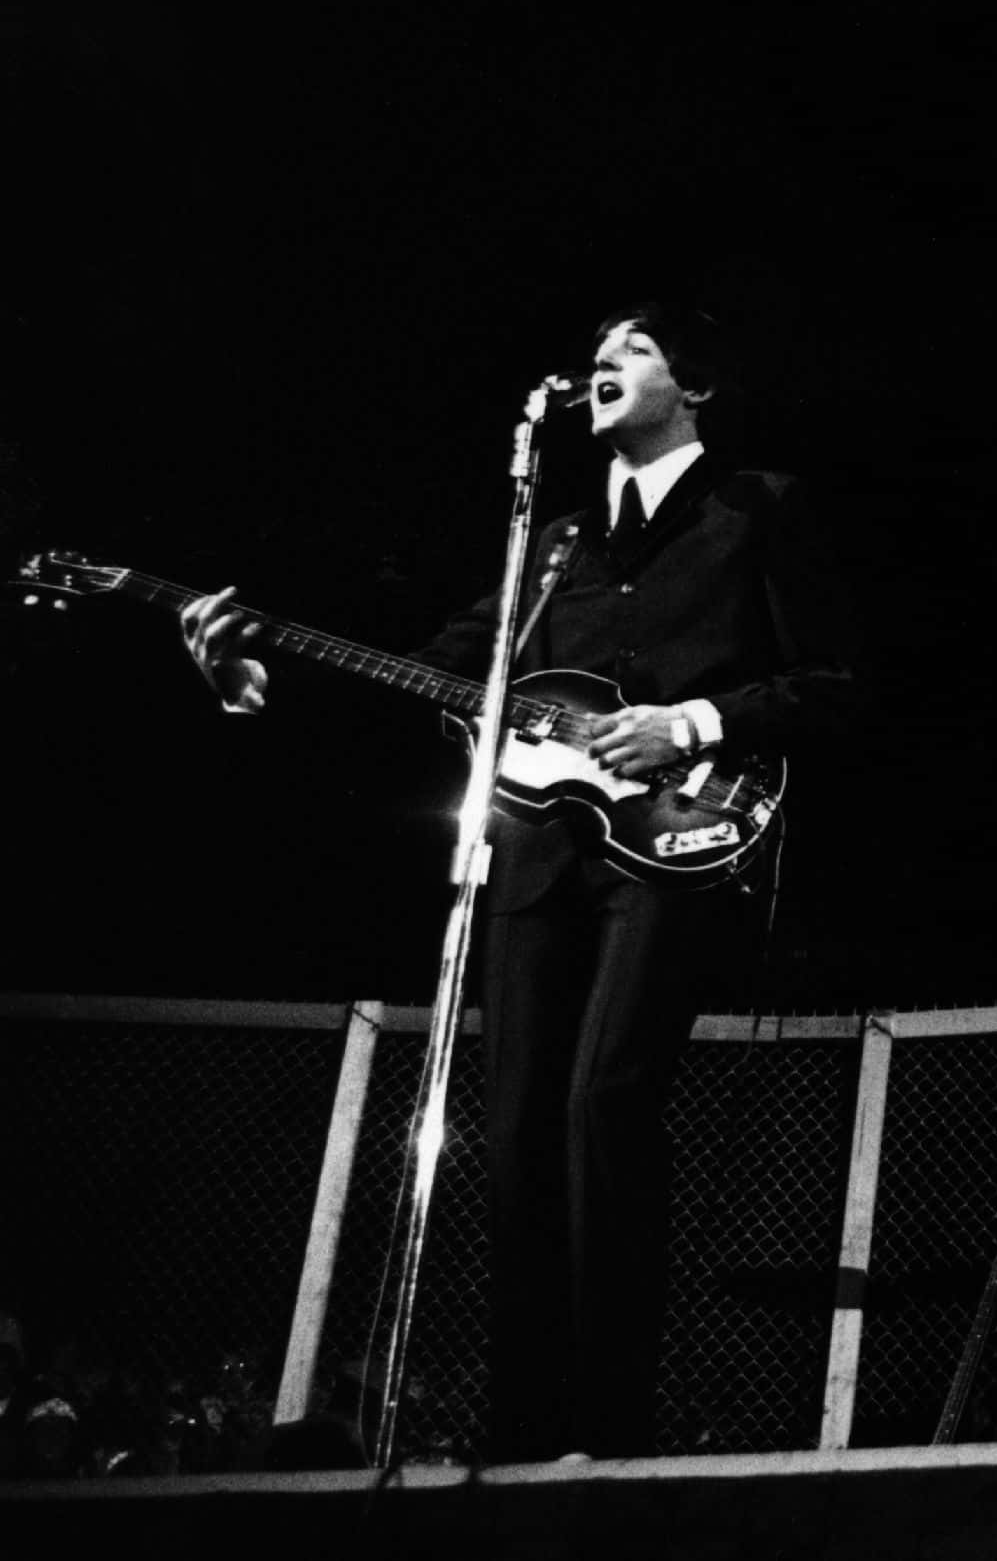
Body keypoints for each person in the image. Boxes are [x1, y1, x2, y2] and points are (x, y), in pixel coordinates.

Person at [178, 304, 862, 1459]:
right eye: (597, 352)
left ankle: (613, 1427)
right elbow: (435, 672)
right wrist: (266, 669)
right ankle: (524, 1426)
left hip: (682, 838)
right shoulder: (551, 543)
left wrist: (693, 719)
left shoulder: (760, 509)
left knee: (606, 1100)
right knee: (515, 1127)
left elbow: (842, 679)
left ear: (692, 385)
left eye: (631, 350)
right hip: (538, 861)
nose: (602, 363)